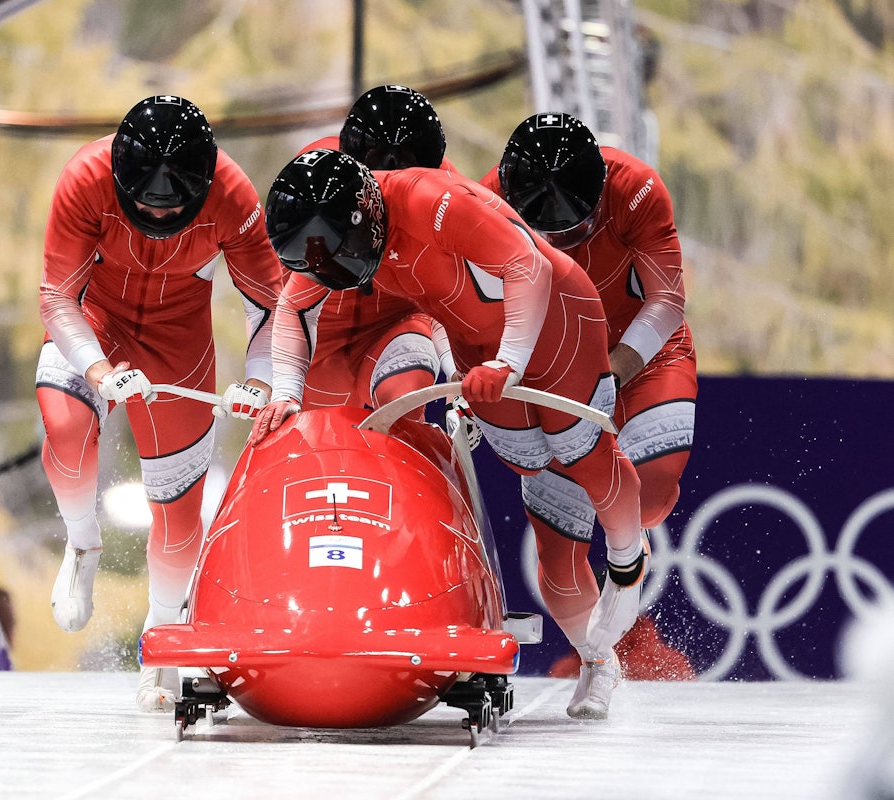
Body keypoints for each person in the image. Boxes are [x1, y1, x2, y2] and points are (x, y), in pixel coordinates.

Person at [252, 149, 648, 719]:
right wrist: (287, 392)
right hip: (481, 350)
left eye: (339, 261)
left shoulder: (429, 200)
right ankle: (598, 657)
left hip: (557, 320)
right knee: (535, 466)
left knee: (579, 453)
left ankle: (628, 559)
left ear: (364, 217)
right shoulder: (336, 233)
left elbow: (528, 266)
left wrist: (509, 363)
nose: (334, 278)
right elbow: (290, 306)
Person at [36, 95, 282, 712]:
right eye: (144, 204)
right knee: (65, 427)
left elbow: (270, 307)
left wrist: (258, 379)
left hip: (180, 341)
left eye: (173, 207)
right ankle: (83, 542)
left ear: (202, 189)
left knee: (177, 509)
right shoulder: (83, 179)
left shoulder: (234, 196)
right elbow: (57, 299)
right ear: (119, 182)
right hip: (96, 318)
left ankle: (163, 641)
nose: (157, 211)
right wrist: (95, 366)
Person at [481, 113, 697, 688]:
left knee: (648, 495)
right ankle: (599, 657)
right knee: (559, 551)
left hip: (644, 351)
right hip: (558, 363)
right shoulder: (482, 200)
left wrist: (615, 370)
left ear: (600, 193)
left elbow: (668, 300)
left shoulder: (639, 189)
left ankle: (629, 551)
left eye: (576, 229)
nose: (564, 241)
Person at [283, 85, 447, 419]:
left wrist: (459, 367)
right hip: (320, 335)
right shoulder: (317, 179)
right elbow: (291, 302)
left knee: (405, 397)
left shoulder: (448, 194)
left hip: (395, 321)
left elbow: (452, 292)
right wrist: (282, 388)